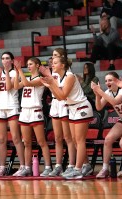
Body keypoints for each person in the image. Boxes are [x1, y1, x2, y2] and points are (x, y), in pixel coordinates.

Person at [40, 56, 93, 179]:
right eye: (52, 63)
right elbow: (59, 97)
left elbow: (62, 95)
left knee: (79, 140)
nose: (52, 65)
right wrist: (50, 85)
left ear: (62, 65)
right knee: (74, 140)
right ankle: (86, 165)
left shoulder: (70, 76)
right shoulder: (61, 77)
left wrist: (51, 83)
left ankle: (77, 169)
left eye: (55, 63)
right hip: (73, 108)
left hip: (81, 107)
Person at [91, 71, 122, 178]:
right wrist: (97, 95)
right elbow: (98, 107)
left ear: (117, 81)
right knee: (108, 139)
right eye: (106, 81)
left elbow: (114, 102)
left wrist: (100, 92)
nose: (107, 82)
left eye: (110, 80)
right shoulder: (108, 92)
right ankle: (105, 168)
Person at [13, 57, 52, 176]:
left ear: (37, 65)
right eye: (27, 64)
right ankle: (26, 167)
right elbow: (16, 86)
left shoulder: (40, 79)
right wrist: (16, 72)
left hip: (35, 111)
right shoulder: (28, 77)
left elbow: (26, 83)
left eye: (30, 64)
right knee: (27, 143)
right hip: (24, 112)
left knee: (41, 141)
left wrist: (20, 71)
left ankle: (48, 167)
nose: (28, 66)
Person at [45, 48, 78, 177]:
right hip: (55, 103)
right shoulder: (54, 72)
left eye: (56, 56)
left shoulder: (68, 73)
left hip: (65, 103)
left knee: (68, 137)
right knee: (57, 137)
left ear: (62, 58)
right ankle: (58, 165)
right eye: (52, 56)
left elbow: (62, 93)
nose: (52, 59)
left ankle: (71, 165)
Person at [0, 51, 25, 176]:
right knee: (2, 139)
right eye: (3, 58)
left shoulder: (15, 72)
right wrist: (0, 73)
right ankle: (2, 167)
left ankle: (22, 166)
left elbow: (8, 87)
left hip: (12, 106)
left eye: (7, 58)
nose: (4, 60)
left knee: (16, 138)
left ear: (12, 61)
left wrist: (5, 73)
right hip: (0, 106)